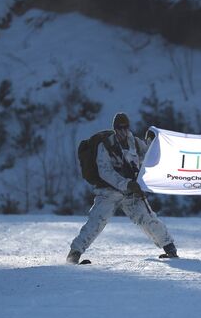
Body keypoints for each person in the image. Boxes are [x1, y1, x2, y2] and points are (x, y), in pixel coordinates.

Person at [67, 113, 178, 264]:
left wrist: (154, 144)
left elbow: (150, 159)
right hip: (108, 192)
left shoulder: (137, 144)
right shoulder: (105, 145)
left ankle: (169, 248)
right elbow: (105, 172)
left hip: (131, 194)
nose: (123, 131)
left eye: (125, 127)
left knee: (148, 218)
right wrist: (126, 183)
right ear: (114, 128)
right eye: (119, 128)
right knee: (96, 222)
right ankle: (75, 253)